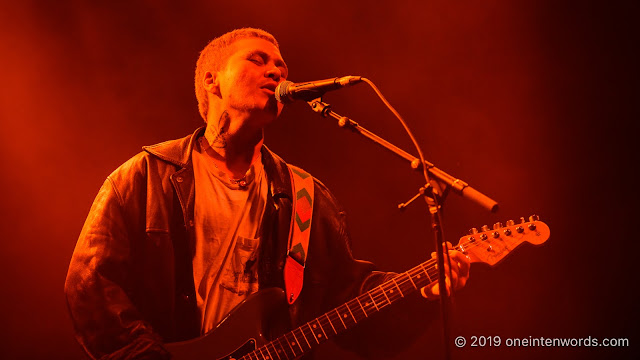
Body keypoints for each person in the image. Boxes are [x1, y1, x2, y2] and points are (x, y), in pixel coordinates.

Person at [64, 28, 470, 359]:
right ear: (212, 80)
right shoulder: (146, 176)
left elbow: (346, 296)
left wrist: (421, 292)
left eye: (281, 66)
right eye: (258, 60)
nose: (276, 72)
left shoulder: (306, 196)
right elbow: (91, 286)